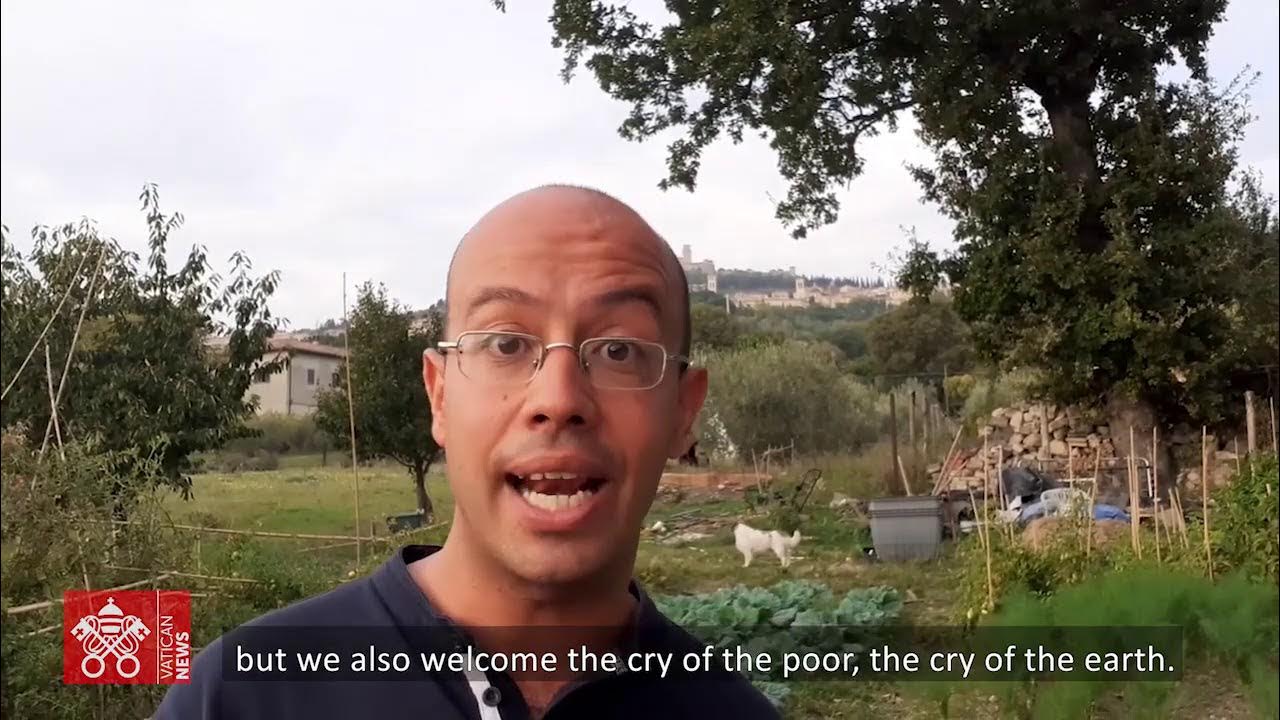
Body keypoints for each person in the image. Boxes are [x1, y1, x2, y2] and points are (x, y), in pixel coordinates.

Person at [154, 185, 782, 719]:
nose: (559, 399)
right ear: (440, 396)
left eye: (619, 351)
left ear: (683, 412)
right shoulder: (241, 698)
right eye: (506, 343)